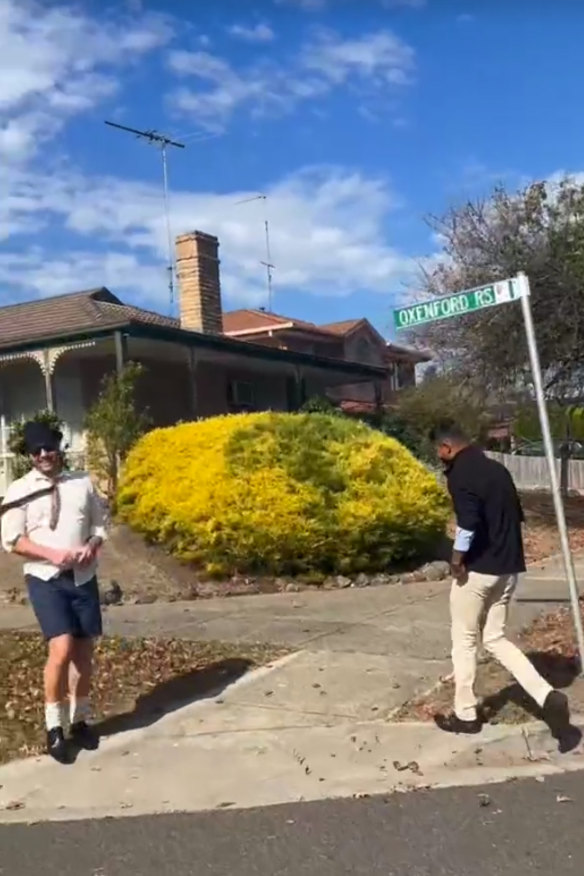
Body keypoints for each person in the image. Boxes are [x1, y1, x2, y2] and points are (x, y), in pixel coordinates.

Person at [430, 420, 579, 750]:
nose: (440, 458)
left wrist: (456, 559)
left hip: (477, 572)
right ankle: (546, 695)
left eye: (438, 452)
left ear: (447, 447)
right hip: (507, 568)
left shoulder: (460, 475)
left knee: (465, 640)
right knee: (494, 638)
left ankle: (466, 715)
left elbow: (468, 524)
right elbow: (515, 518)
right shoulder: (498, 471)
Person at [1, 421, 106, 763]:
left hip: (82, 578)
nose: (44, 455)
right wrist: (54, 555)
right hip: (45, 578)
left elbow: (99, 524)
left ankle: (80, 720)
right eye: (36, 450)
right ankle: (54, 727)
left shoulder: (82, 482)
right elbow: (12, 541)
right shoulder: (19, 489)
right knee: (60, 650)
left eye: (48, 447)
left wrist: (92, 544)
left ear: (59, 448)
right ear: (30, 456)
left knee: (83, 653)